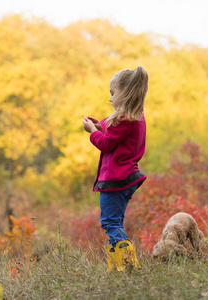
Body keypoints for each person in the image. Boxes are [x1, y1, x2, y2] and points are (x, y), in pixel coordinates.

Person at [82, 66, 148, 271]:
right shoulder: (135, 117)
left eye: (113, 93)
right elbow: (115, 134)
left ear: (125, 92)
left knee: (111, 224)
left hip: (115, 180)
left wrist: (92, 131)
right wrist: (101, 126)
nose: (110, 99)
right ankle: (117, 267)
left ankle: (129, 266)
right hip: (127, 178)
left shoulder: (124, 119)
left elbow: (106, 144)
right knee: (115, 223)